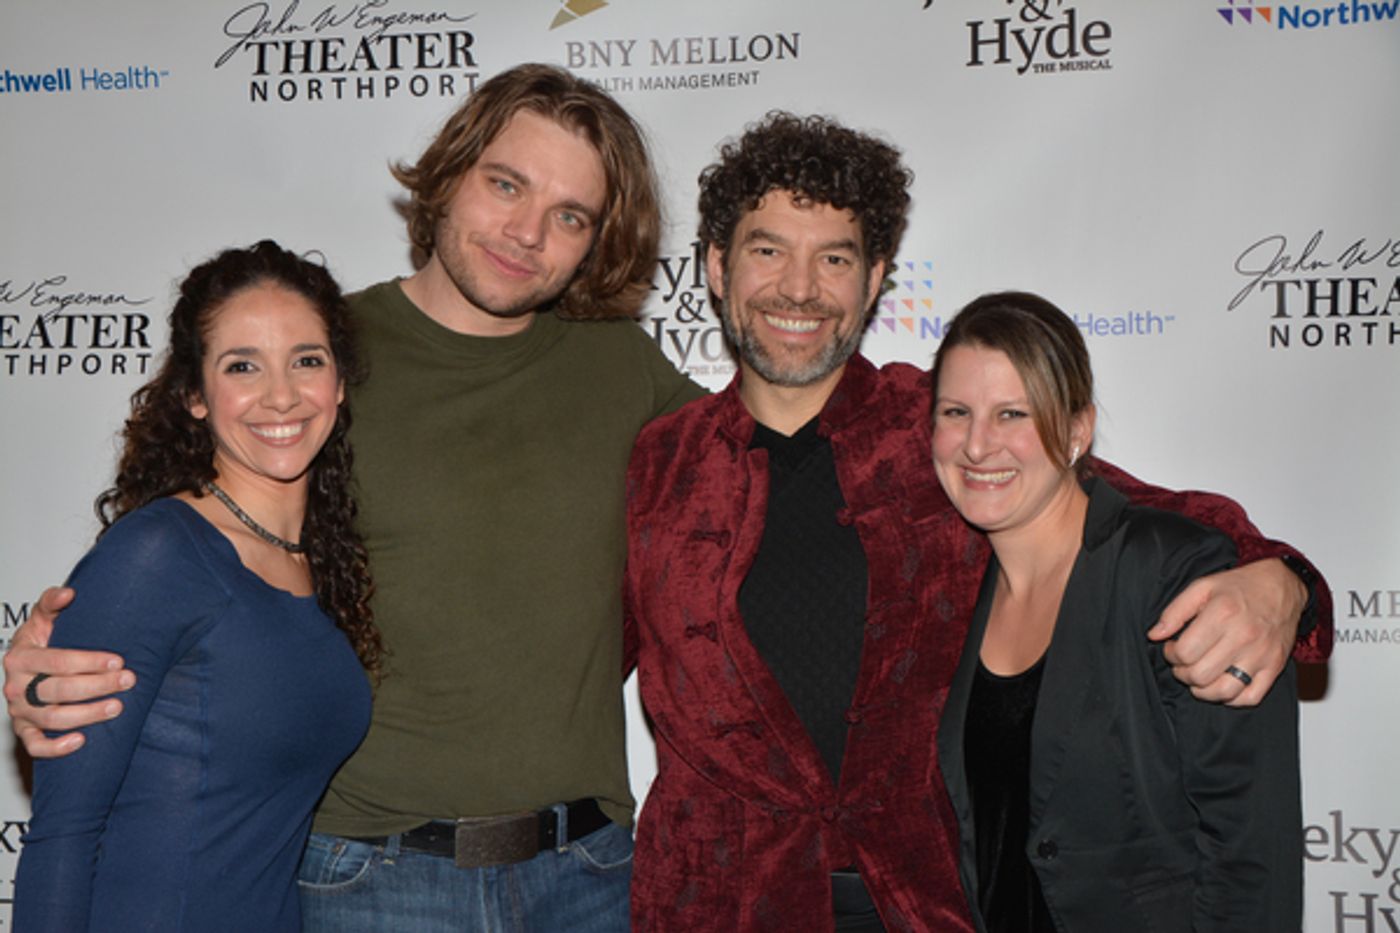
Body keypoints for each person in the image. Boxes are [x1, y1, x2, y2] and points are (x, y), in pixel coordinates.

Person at [6, 65, 703, 932]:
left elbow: (782, 471)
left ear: (597, 241)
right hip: (372, 882)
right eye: (506, 184)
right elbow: (186, 543)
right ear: (450, 174)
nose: (527, 233)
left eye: (570, 216)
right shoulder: (316, 355)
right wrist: (51, 666)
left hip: (590, 876)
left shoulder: (621, 368)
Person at [622, 113, 1326, 931]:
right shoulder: (655, 465)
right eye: (768, 248)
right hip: (721, 910)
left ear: (876, 276)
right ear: (715, 265)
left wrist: (1285, 582)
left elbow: (1139, 509)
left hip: (927, 904)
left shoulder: (945, 431)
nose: (801, 287)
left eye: (836, 257)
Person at [12, 240, 380, 931]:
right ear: (195, 396)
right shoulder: (157, 554)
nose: (282, 394)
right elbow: (64, 832)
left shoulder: (315, 562)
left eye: (307, 359)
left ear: (337, 383)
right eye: (243, 365)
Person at [931, 292, 1301, 932]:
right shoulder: (955, 589)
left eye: (1013, 413)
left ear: (1077, 431)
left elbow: (1249, 854)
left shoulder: (1171, 572)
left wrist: (1292, 584)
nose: (977, 444)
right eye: (956, 412)